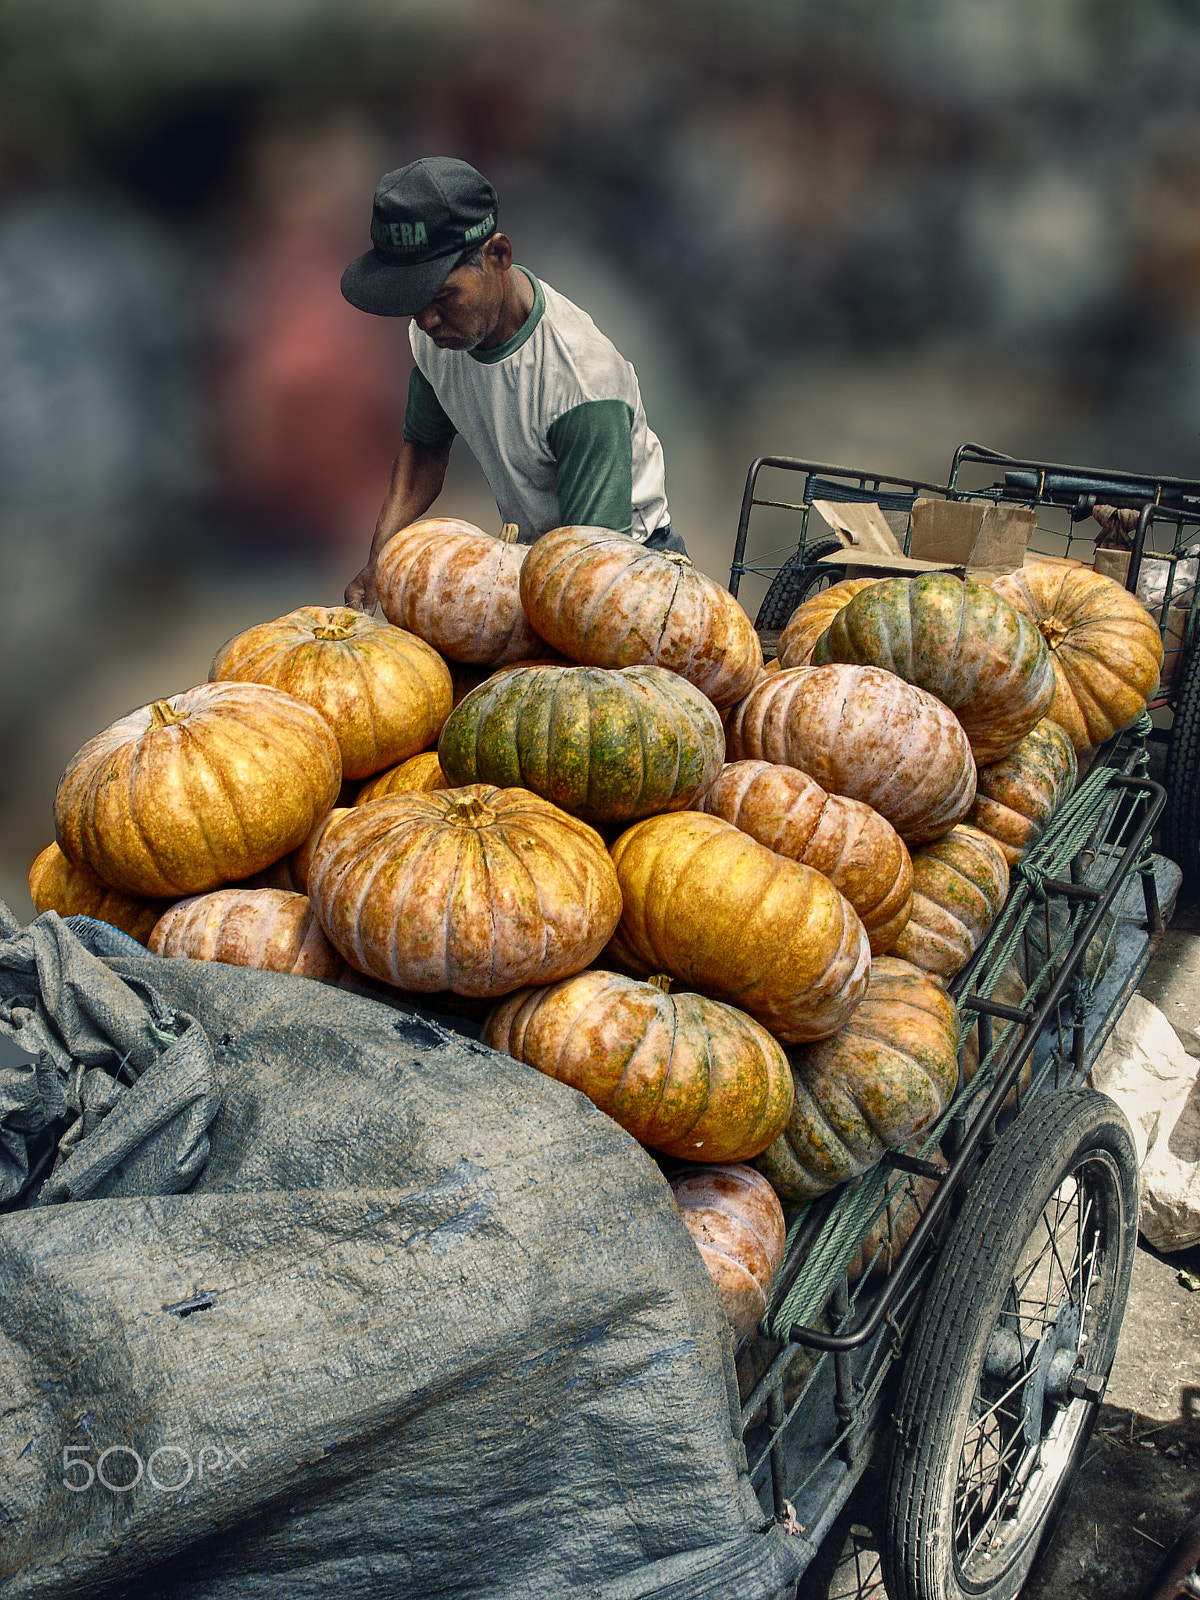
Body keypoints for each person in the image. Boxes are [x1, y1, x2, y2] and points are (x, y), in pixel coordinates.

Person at [339, 156, 683, 612]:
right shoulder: (438, 338)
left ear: (497, 255)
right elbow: (424, 451)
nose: (425, 319)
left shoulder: (581, 384)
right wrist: (379, 558)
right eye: (413, 301)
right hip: (536, 559)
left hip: (627, 572)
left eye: (442, 296)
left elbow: (590, 570)